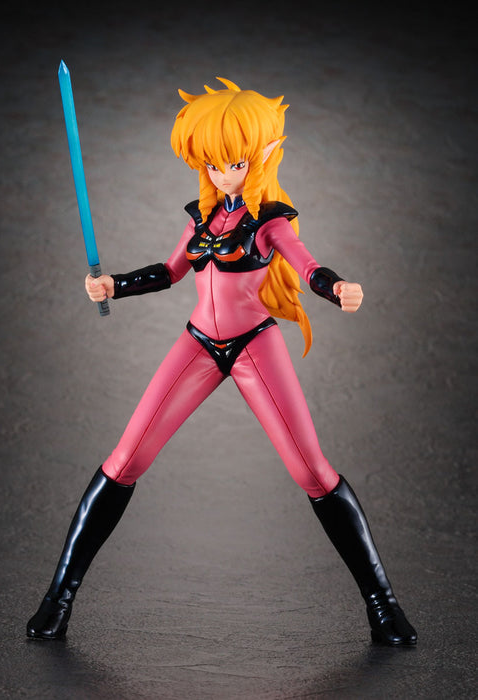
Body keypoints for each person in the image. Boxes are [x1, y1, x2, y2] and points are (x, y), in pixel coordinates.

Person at [27, 78, 417, 646]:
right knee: (125, 459)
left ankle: (383, 606)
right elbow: (169, 272)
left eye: (232, 162)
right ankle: (58, 599)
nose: (221, 173)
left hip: (254, 344)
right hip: (198, 344)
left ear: (261, 155)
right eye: (211, 163)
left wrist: (336, 289)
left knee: (311, 472)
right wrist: (115, 285)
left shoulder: (271, 220)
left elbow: (307, 266)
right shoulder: (202, 219)